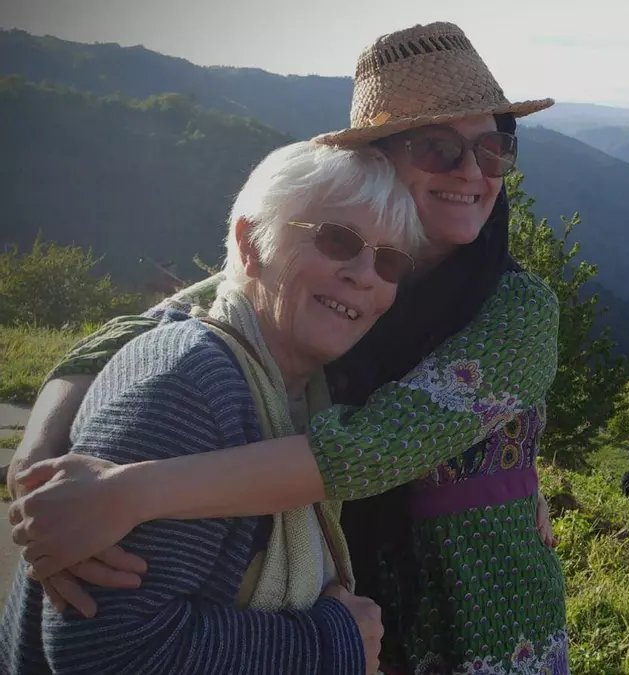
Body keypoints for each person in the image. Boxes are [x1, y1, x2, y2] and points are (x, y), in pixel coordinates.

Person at [6, 22, 569, 675]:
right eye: (440, 148)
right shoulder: (342, 273)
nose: (472, 171)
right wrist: (38, 464)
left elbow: (372, 447)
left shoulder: (517, 308)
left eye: (494, 149)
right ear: (376, 159)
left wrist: (125, 494)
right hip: (356, 590)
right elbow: (152, 324)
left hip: (481, 610)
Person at [1, 138, 419, 674]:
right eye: (338, 240)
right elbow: (106, 654)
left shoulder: (301, 391)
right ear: (250, 243)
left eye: (389, 261)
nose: (365, 274)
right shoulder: (193, 387)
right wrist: (330, 643)